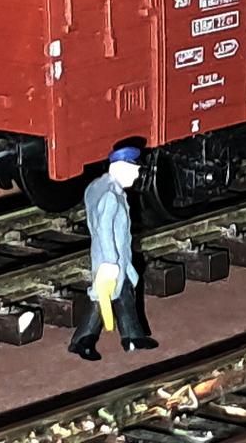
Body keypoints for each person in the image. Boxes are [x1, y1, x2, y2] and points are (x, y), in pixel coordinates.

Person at [68, 146, 159, 361]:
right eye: (134, 171)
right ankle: (82, 341)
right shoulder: (110, 196)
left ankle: (133, 337)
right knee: (102, 297)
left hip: (117, 256)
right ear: (122, 168)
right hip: (110, 258)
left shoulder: (98, 187)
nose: (136, 176)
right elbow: (104, 230)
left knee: (124, 293)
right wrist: (110, 262)